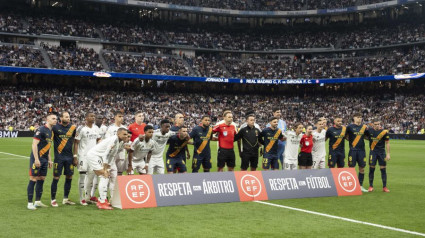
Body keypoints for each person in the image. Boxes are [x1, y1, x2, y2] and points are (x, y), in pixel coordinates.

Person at [86, 128, 129, 210]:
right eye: (124, 134)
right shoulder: (113, 140)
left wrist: (108, 167)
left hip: (99, 157)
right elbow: (106, 154)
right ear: (118, 134)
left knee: (105, 176)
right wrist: (105, 169)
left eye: (126, 134)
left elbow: (111, 155)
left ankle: (102, 199)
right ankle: (102, 202)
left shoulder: (120, 142)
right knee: (104, 176)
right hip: (95, 156)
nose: (126, 136)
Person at [27, 113, 57, 210]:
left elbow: (48, 147)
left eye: (56, 118)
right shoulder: (41, 129)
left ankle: (38, 201)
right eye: (53, 118)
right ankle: (30, 203)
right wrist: (36, 159)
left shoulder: (51, 132)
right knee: (33, 179)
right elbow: (34, 145)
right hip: (37, 158)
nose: (55, 120)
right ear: (47, 120)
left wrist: (49, 160)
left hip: (44, 159)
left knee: (41, 178)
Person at [73, 112, 101, 205]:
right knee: (82, 176)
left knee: (91, 177)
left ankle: (87, 197)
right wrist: (75, 156)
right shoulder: (81, 129)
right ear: (86, 118)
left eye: (94, 116)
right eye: (91, 116)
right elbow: (76, 142)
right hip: (83, 156)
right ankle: (82, 199)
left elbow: (98, 140)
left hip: (92, 157)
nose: (93, 117)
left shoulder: (96, 128)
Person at [51, 112, 77, 207]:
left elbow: (75, 142)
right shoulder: (55, 128)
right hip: (59, 158)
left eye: (69, 117)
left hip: (69, 157)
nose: (68, 118)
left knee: (69, 177)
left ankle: (65, 198)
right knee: (56, 177)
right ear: (61, 118)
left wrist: (75, 156)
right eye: (66, 117)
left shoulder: (73, 128)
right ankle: (53, 199)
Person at [365, 119, 391, 193]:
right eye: (376, 124)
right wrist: (369, 139)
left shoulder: (384, 132)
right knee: (371, 169)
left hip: (382, 152)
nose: (377, 125)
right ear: (373, 124)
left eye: (378, 124)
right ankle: (371, 186)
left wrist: (388, 154)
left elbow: (387, 143)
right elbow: (364, 136)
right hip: (373, 152)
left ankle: (384, 187)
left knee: (383, 169)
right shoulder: (369, 131)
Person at [346, 113, 369, 192]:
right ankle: (351, 185)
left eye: (360, 117)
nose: (359, 118)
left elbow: (367, 136)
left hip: (361, 151)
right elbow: (345, 136)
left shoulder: (364, 127)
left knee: (362, 168)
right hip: (352, 150)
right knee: (351, 168)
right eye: (357, 117)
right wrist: (351, 141)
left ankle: (360, 185)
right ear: (354, 118)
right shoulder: (349, 127)